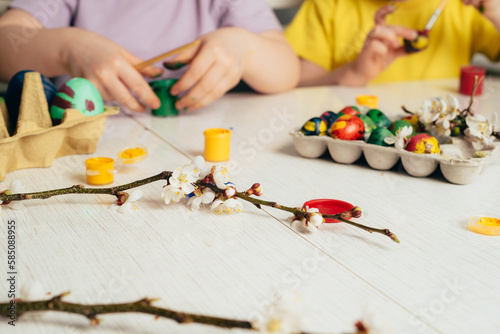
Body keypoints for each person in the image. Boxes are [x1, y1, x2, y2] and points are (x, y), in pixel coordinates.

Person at [0, 0, 300, 112]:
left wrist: (243, 45)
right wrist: (67, 48)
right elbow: (5, 43)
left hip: (197, 161)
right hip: (81, 153)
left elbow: (287, 69)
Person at [284, 0, 500, 86]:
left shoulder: (466, 8)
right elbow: (294, 83)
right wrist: (351, 74)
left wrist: (497, 12)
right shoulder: (329, 4)